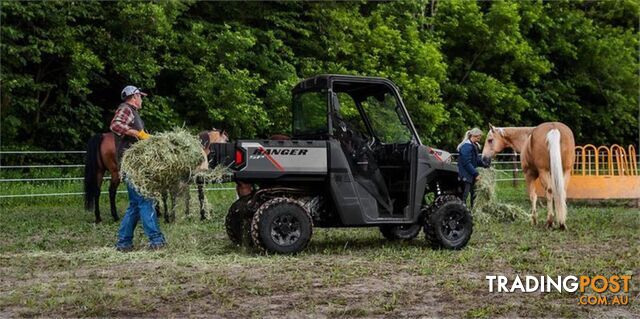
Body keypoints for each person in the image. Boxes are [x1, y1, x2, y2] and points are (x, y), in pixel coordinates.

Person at [110, 85, 166, 251]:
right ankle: (156, 241)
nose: (141, 99)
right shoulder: (126, 109)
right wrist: (136, 133)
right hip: (132, 166)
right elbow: (115, 125)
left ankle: (124, 242)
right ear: (134, 96)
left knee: (135, 205)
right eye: (140, 96)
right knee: (145, 200)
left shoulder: (133, 113)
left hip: (134, 165)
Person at [457, 127, 487, 208]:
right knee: (464, 196)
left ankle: (473, 212)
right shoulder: (466, 147)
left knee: (474, 194)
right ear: (473, 136)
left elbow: (476, 160)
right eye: (478, 137)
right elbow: (466, 163)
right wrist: (476, 174)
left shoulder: (473, 146)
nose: (480, 138)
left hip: (470, 175)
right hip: (465, 175)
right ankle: (461, 212)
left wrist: (484, 164)